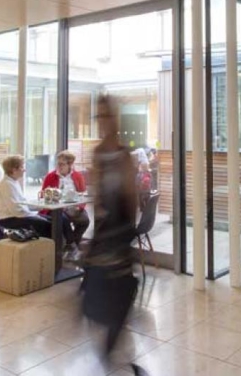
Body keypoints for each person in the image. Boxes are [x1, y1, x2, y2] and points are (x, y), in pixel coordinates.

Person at [81, 95, 146, 375]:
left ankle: (114, 355)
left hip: (120, 234)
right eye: (100, 116)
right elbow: (97, 200)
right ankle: (112, 355)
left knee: (119, 293)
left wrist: (126, 239)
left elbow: (131, 202)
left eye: (108, 116)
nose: (104, 122)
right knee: (98, 296)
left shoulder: (124, 155)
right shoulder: (97, 153)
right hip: (105, 233)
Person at [40, 150, 90, 260]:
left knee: (84, 221)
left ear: (70, 165)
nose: (59, 166)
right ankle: (71, 245)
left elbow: (83, 194)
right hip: (56, 209)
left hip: (73, 207)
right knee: (63, 219)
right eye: (58, 163)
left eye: (62, 164)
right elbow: (43, 195)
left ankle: (71, 246)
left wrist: (79, 207)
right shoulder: (50, 176)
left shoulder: (77, 176)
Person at [0, 155, 51, 240]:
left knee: (53, 221)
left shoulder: (13, 182)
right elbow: (16, 210)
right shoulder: (7, 185)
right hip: (9, 219)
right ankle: (49, 249)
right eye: (22, 167)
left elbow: (23, 204)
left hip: (16, 216)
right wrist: (35, 215)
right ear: (14, 170)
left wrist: (41, 206)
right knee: (47, 224)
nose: (24, 170)